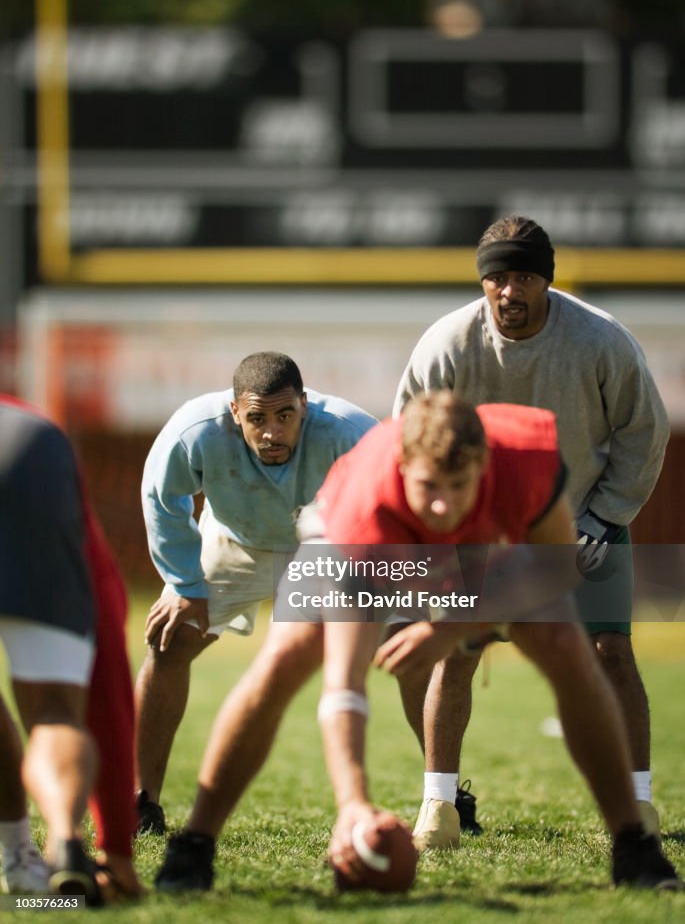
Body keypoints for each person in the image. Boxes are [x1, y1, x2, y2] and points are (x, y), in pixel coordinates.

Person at [313, 393, 681, 891]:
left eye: (457, 484)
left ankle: (633, 843)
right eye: (429, 486)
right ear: (402, 468)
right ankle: (195, 842)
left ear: (484, 465)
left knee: (566, 647)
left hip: (501, 544)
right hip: (395, 547)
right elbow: (344, 677)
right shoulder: (360, 503)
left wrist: (453, 625)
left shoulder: (523, 458)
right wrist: (352, 803)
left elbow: (554, 573)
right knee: (290, 655)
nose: (442, 502)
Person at [392, 216, 669, 850]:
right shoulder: (446, 345)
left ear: (545, 280)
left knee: (610, 653)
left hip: (583, 521)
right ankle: (439, 808)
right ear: (482, 283)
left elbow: (642, 432)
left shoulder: (601, 341)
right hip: (474, 526)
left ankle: (638, 802)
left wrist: (605, 516)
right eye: (496, 278)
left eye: (523, 277)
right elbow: (409, 440)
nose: (509, 292)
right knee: (457, 653)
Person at [136, 351, 376, 834]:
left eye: (285, 415)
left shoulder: (351, 432)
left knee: (412, 645)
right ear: (233, 413)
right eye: (257, 418)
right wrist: (184, 584)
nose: (272, 432)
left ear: (305, 407)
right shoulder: (194, 431)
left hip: (326, 547)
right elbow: (162, 499)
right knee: (169, 639)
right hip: (234, 542)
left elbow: (395, 494)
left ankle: (442, 797)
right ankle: (141, 801)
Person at [0, 397, 142, 903]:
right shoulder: (30, 421)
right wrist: (119, 852)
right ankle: (66, 839)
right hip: (27, 446)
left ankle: (18, 860)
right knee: (57, 712)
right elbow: (107, 679)